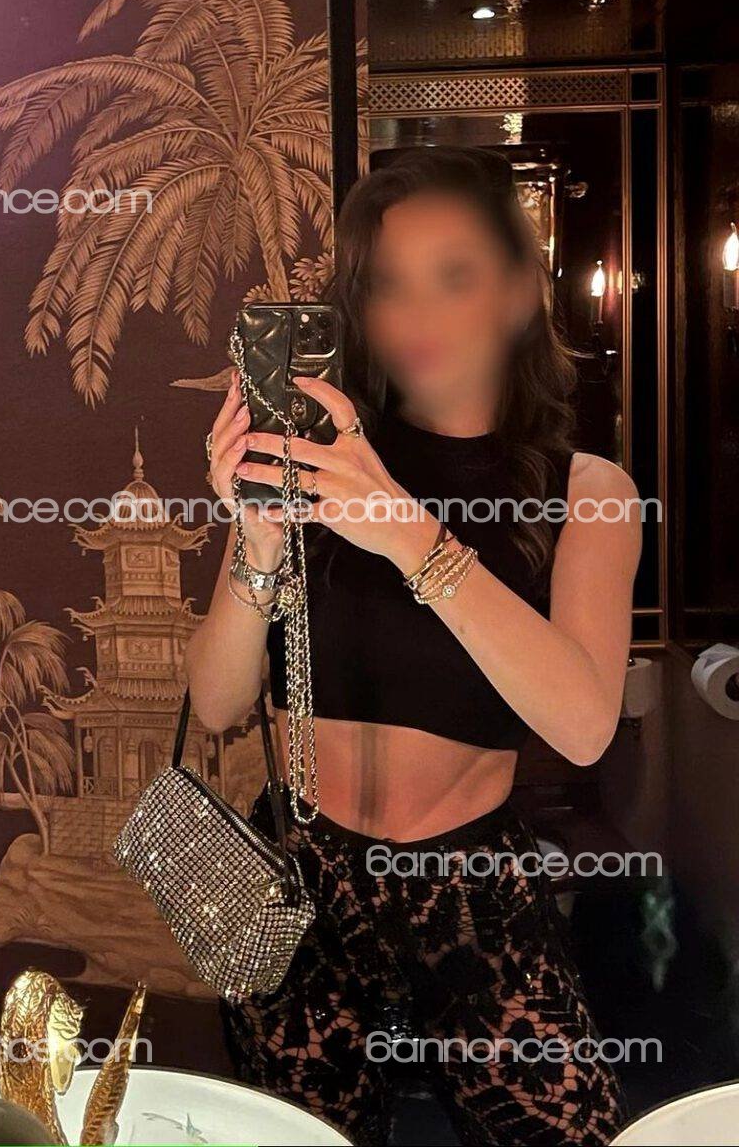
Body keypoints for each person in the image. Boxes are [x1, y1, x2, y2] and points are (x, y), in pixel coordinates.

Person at [185, 147, 639, 1146]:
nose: (418, 315)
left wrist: (408, 534)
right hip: (298, 877)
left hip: (470, 887)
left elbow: (583, 724)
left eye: (454, 275)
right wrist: (255, 544)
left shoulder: (585, 490)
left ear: (519, 291)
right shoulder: (322, 460)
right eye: (388, 283)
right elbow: (216, 703)